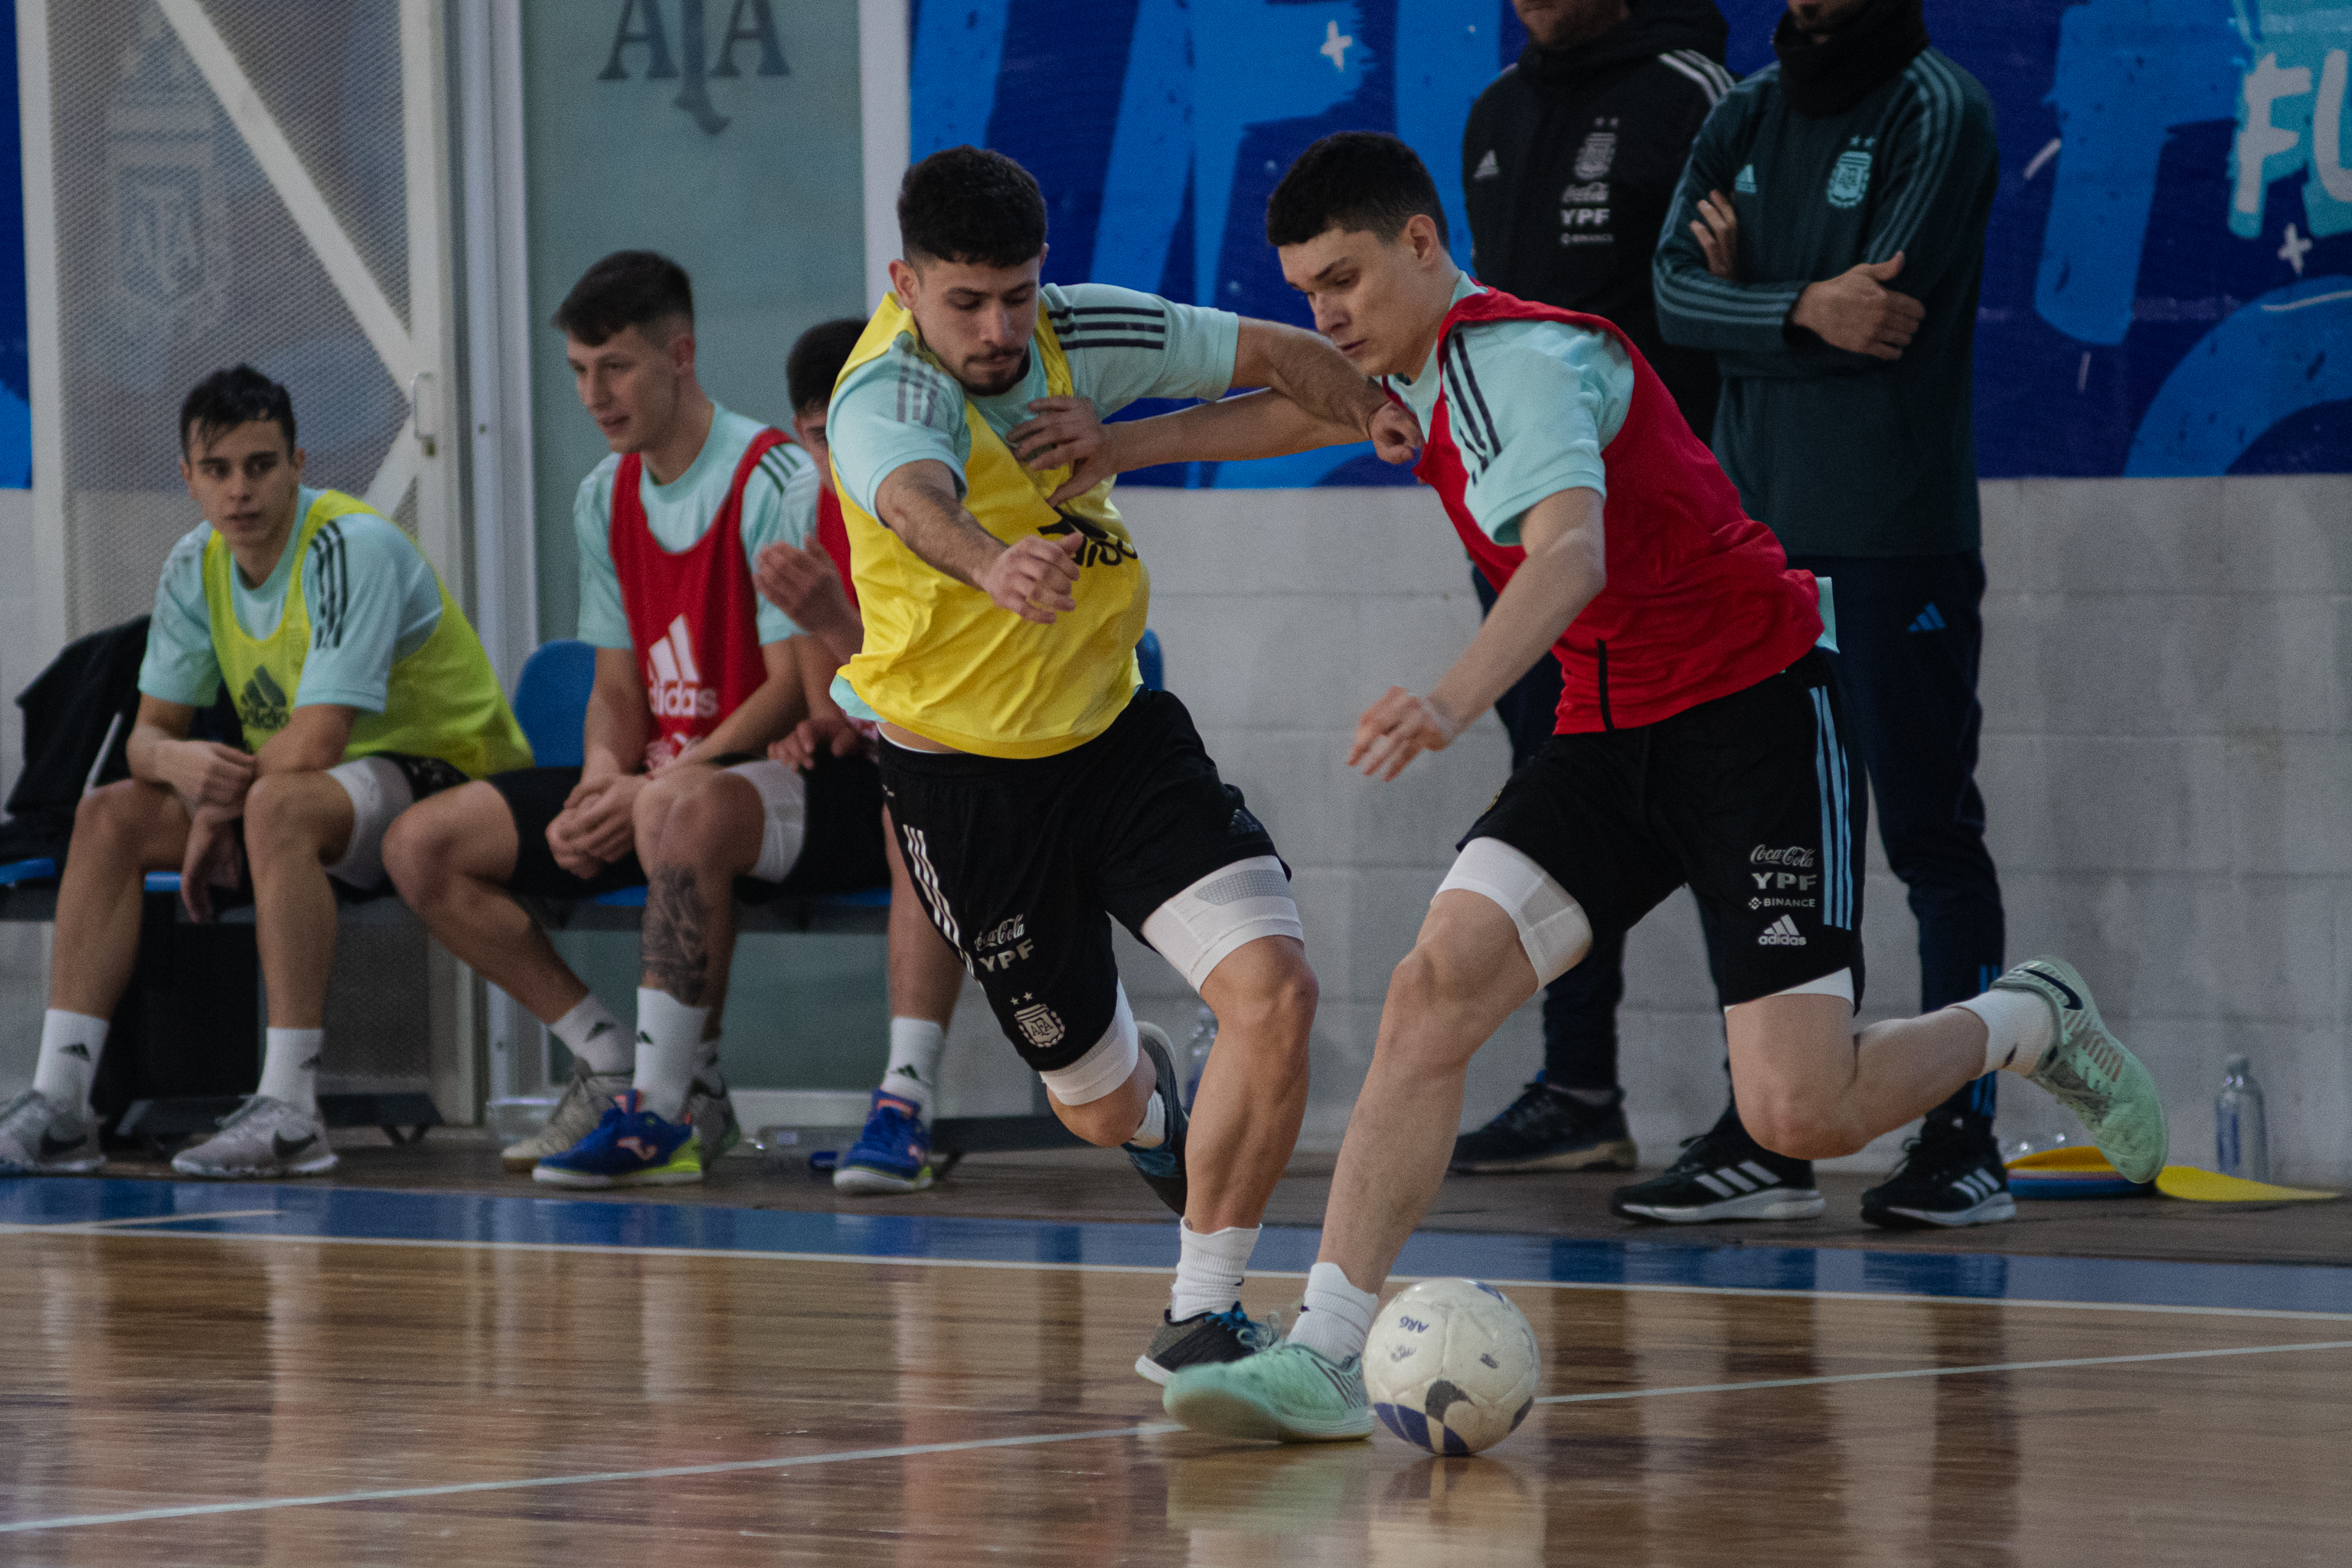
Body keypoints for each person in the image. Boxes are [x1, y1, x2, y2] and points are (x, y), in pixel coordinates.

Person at [1061, 132, 2161, 1442]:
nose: (1324, 315)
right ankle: (1326, 1352)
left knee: (1793, 1109)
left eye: (1344, 279)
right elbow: (1303, 405)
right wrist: (1124, 448)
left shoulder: (1521, 362)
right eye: (1306, 290)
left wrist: (1448, 698)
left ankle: (2027, 1015)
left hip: (1754, 710)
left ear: (1423, 244)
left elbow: (1568, 556)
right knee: (1430, 989)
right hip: (1607, 728)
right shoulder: (1408, 365)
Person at [825, 145, 1416, 1382]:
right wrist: (991, 562)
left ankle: (1199, 1311)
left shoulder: (1074, 331)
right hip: (967, 786)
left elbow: (1275, 354)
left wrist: (1367, 408)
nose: (996, 329)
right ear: (906, 282)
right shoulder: (885, 391)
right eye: (965, 301)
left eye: (1016, 296)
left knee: (1277, 985)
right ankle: (1149, 1105)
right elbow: (914, 499)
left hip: (1117, 736)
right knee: (1092, 1105)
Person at [384, 253, 912, 1190]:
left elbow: (799, 686)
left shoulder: (772, 478)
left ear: (681, 354)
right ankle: (611, 1059)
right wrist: (599, 770)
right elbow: (618, 683)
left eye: (615, 367)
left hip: (747, 776)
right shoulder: (604, 495)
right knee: (420, 842)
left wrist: (662, 778)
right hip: (659, 781)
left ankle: (671, 1105)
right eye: (580, 370)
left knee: (686, 809)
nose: (595, 393)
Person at [1638, 0, 2010, 1229]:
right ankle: (1770, 1129)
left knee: (1927, 836)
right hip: (1755, 549)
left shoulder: (1936, 109)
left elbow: (1884, 321)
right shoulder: (1743, 109)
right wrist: (1799, 307)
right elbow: (1671, 297)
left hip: (1893, 536)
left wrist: (1752, 298)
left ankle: (1962, 1145)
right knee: (1766, 847)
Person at [0, 366, 532, 1178]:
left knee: (275, 804)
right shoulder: (194, 564)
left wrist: (213, 812)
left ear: (297, 463)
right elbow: (144, 742)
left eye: (260, 464)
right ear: (188, 477)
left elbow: (318, 740)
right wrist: (177, 763)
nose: (239, 489)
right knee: (108, 814)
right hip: (307, 794)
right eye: (217, 469)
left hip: (450, 780)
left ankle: (292, 1106)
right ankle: (63, 1103)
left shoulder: (347, 545)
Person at [1449, 0, 1735, 1177]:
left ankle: (1759, 1111)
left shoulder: (1693, 92)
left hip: (1673, 546)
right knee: (1557, 790)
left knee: (1726, 800)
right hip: (1531, 547)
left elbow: (1739, 300)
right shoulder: (1497, 112)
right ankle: (1579, 1084)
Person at [752, 315, 970, 1197]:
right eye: (818, 432)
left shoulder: (943, 500)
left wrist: (835, 619)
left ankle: (904, 1097)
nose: (843, 448)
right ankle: (661, 1088)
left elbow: (940, 703)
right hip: (891, 748)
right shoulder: (805, 508)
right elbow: (839, 700)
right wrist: (819, 723)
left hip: (980, 745)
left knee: (908, 811)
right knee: (684, 809)